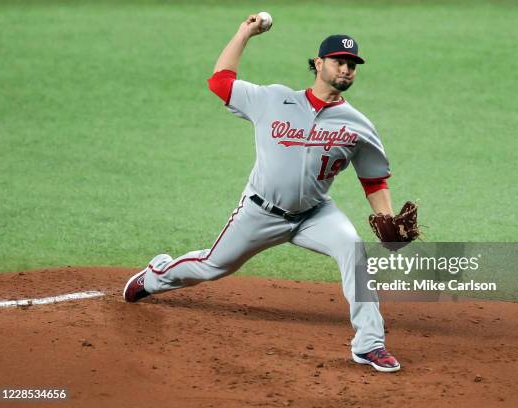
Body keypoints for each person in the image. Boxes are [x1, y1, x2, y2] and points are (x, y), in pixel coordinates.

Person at [123, 13, 401, 372]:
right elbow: (220, 82)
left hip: (316, 214)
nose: (346, 69)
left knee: (353, 250)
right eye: (339, 61)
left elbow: (374, 180)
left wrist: (388, 217)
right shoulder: (273, 99)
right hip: (260, 211)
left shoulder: (358, 125)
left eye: (352, 64)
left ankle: (369, 344)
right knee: (212, 266)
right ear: (319, 64)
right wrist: (245, 33)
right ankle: (155, 276)